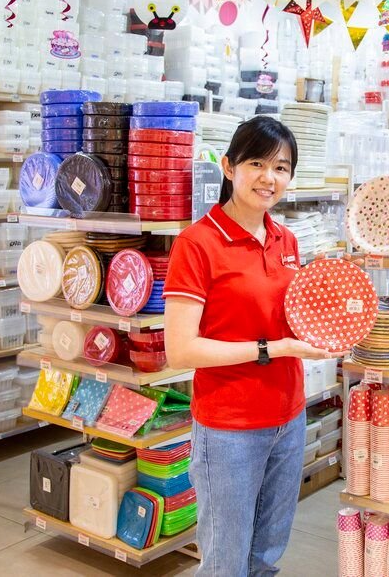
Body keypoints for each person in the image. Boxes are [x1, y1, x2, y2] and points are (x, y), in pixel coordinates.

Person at [164, 116, 346, 576]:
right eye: (257, 164)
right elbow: (180, 350)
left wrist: (330, 313)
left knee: (266, 553)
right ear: (229, 167)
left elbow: (291, 317)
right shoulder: (197, 243)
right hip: (230, 426)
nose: (269, 177)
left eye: (281, 167)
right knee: (226, 561)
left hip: (288, 415)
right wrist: (271, 349)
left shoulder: (287, 240)